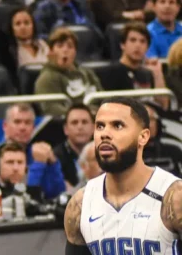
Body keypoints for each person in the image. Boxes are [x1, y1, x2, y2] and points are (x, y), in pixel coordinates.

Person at [64, 98, 182, 255]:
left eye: (117, 126)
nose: (105, 134)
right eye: (100, 126)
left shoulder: (174, 197)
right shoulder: (80, 204)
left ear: (143, 137)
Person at [55, 104, 95, 189]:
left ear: (93, 127)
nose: (80, 127)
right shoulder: (55, 157)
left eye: (84, 122)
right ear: (65, 129)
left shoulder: (104, 153)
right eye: (74, 122)